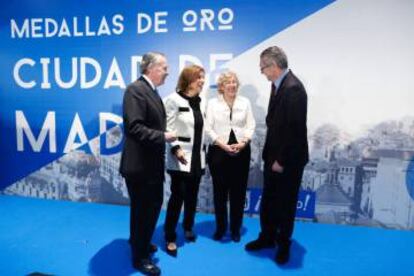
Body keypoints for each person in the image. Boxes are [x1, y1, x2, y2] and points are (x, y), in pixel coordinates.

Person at [245, 46, 309, 265]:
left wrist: (281, 161)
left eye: (263, 67)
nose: (262, 72)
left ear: (274, 66)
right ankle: (267, 237)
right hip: (273, 158)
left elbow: (295, 130)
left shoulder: (293, 89)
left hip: (287, 161)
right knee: (270, 200)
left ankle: (283, 244)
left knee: (285, 203)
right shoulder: (277, 85)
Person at [119, 51, 176, 275]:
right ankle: (140, 258)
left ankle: (139, 242)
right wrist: (163, 136)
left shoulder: (150, 91)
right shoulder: (136, 90)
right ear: (149, 68)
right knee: (145, 210)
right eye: (163, 67)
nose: (167, 71)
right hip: (140, 167)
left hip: (150, 165)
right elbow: (134, 127)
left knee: (148, 208)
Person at [205, 71, 255, 242]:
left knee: (238, 193)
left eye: (234, 82)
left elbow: (251, 125)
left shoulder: (245, 102)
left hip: (241, 151)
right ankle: (220, 228)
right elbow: (208, 128)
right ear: (221, 86)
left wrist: (244, 142)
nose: (232, 85)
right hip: (219, 151)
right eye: (228, 82)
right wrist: (223, 145)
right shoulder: (212, 103)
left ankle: (235, 230)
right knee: (219, 193)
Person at [163, 65, 206, 257]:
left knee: (192, 196)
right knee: (177, 197)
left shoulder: (201, 101)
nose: (202, 81)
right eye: (199, 77)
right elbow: (167, 127)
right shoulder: (173, 100)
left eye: (203, 77)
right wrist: (176, 148)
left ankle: (188, 227)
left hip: (198, 157)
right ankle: (170, 235)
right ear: (189, 79)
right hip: (180, 158)